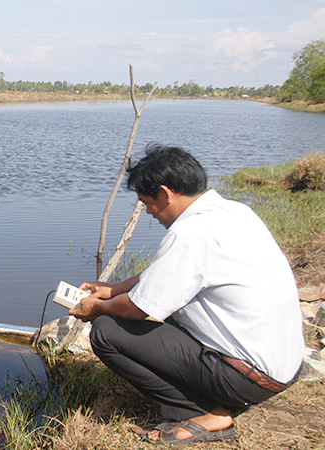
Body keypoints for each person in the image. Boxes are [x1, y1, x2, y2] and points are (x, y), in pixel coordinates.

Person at [69, 144, 304, 445]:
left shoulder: (190, 234)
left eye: (146, 203)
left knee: (107, 331)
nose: (149, 213)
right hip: (282, 365)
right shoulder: (233, 211)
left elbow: (137, 308)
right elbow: (164, 273)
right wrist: (113, 290)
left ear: (165, 194)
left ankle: (203, 414)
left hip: (248, 378)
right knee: (145, 318)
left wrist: (99, 309)